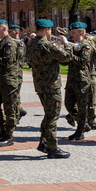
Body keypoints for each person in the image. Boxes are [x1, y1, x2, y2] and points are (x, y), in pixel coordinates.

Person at [27, 19, 74, 159]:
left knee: (48, 114)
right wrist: (65, 45)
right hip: (51, 85)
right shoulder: (47, 45)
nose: (51, 32)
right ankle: (52, 148)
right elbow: (67, 58)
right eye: (50, 30)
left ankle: (44, 142)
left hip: (40, 85)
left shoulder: (31, 44)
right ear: (46, 29)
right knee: (52, 116)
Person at [63, 22, 96, 141]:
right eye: (71, 32)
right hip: (72, 79)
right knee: (68, 104)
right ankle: (83, 124)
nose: (70, 34)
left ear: (81, 33)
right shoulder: (73, 45)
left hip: (82, 80)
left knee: (82, 107)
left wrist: (69, 52)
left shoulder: (85, 45)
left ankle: (80, 130)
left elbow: (82, 60)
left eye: (73, 32)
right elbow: (64, 61)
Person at [6, 23, 29, 124]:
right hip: (12, 73)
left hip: (16, 73)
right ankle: (18, 112)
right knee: (14, 96)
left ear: (16, 32)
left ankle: (17, 113)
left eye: (10, 31)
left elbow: (16, 56)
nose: (8, 33)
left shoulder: (20, 43)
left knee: (14, 95)